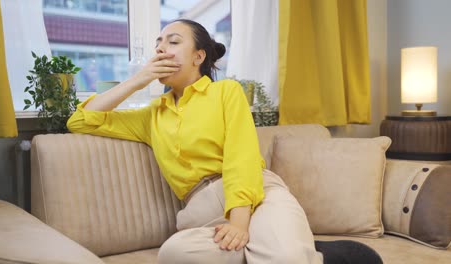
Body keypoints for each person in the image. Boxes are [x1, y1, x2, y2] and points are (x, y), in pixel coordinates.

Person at [67, 19, 382, 264]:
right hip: (202, 212)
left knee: (285, 259)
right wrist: (138, 79)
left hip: (255, 195)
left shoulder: (226, 92)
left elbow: (240, 157)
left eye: (173, 42)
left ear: (198, 56)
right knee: (174, 254)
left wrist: (240, 222)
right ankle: (288, 247)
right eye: (158, 43)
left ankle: (301, 250)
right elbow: (80, 121)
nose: (161, 48)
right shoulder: (152, 116)